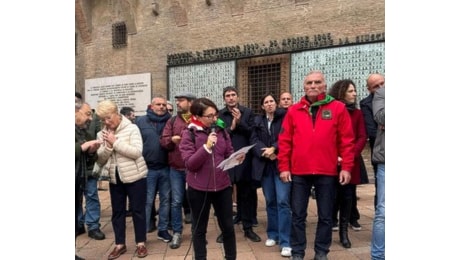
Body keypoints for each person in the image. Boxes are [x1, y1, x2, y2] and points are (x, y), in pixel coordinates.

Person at [278, 70, 354, 260]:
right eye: (309, 83)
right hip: (299, 172)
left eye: (317, 82)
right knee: (297, 216)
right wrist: (284, 167)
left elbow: (346, 141)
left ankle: (321, 252)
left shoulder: (337, 108)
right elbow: (285, 141)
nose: (313, 86)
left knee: (326, 216)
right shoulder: (293, 110)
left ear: (324, 85)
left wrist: (346, 166)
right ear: (303, 87)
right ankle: (297, 252)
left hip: (326, 171)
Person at [179, 97, 241, 260]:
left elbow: (228, 152)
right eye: (210, 116)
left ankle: (231, 257)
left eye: (216, 114)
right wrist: (206, 147)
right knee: (199, 228)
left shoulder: (222, 131)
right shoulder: (189, 134)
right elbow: (190, 164)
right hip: (198, 190)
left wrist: (235, 158)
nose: (215, 119)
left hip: (222, 187)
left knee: (228, 227)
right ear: (198, 117)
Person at [95, 100, 148, 259]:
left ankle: (141, 243)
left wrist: (115, 142)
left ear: (117, 114)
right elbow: (101, 159)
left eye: (108, 117)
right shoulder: (101, 133)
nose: (106, 122)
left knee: (138, 211)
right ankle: (120, 244)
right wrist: (108, 147)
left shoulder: (132, 128)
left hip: (135, 177)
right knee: (117, 212)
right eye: (103, 119)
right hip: (115, 178)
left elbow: (136, 152)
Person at [250, 93, 292, 257]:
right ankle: (273, 234)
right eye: (266, 102)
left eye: (272, 101)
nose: (269, 104)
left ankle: (286, 240)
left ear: (276, 103)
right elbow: (253, 140)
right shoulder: (258, 121)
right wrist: (266, 152)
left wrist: (274, 148)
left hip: (281, 165)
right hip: (266, 166)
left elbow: (287, 136)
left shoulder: (285, 117)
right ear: (262, 106)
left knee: (283, 201)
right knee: (270, 201)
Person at [217, 86, 261, 243]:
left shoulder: (247, 112)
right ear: (224, 99)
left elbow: (252, 132)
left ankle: (248, 228)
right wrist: (232, 126)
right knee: (225, 196)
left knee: (246, 195)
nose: (231, 98)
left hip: (243, 158)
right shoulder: (220, 114)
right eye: (227, 95)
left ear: (238, 96)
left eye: (233, 95)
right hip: (227, 159)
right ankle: (225, 230)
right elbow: (219, 134)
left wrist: (240, 121)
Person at [328, 80, 367, 248]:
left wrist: (349, 155)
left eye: (355, 91)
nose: (354, 94)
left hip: (350, 162)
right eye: (351, 91)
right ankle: (329, 223)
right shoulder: (330, 110)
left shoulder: (357, 114)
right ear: (342, 92)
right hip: (331, 161)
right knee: (330, 195)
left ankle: (344, 232)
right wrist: (335, 155)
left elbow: (361, 137)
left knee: (347, 197)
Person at [160, 92, 196, 249]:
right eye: (177, 101)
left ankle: (197, 232)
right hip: (176, 168)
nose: (178, 104)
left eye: (181, 101)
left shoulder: (197, 119)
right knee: (176, 201)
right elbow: (164, 140)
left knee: (196, 201)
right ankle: (177, 232)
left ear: (190, 103)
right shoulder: (172, 120)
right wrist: (171, 140)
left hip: (194, 168)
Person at [136, 95, 173, 242]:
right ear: (151, 106)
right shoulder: (140, 121)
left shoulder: (171, 121)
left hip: (166, 168)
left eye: (164, 105)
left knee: (165, 200)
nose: (162, 107)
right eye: (158, 104)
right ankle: (142, 232)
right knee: (147, 201)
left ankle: (162, 229)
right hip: (147, 168)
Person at [75, 92, 106, 241]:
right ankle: (78, 224)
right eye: (87, 114)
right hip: (76, 173)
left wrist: (92, 151)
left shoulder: (84, 131)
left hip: (88, 172)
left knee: (92, 197)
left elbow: (91, 154)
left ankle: (93, 226)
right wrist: (82, 147)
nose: (90, 118)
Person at [360, 73, 384, 212]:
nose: (381, 87)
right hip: (380, 152)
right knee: (381, 189)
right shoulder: (366, 104)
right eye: (376, 86)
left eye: (382, 83)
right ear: (369, 89)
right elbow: (372, 130)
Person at [370, 86, 385, 260]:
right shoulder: (382, 93)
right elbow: (381, 117)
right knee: (383, 211)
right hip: (386, 160)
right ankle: (378, 256)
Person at [119, 106, 136, 217]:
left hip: (132, 167)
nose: (134, 117)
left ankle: (131, 208)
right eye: (132, 115)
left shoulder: (134, 128)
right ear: (126, 116)